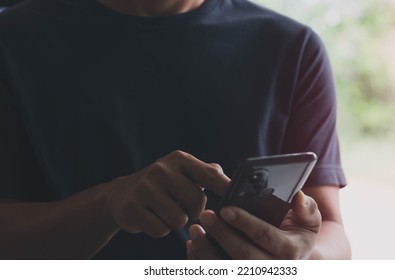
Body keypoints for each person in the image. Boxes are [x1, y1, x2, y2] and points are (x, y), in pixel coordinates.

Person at [0, 0, 351, 259]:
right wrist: (106, 205)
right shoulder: (12, 43)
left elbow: (330, 229)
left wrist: (304, 259)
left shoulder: (292, 49)